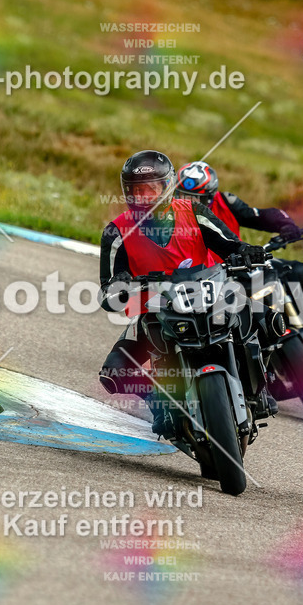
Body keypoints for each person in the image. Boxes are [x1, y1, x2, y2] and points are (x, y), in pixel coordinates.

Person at [97, 150, 271, 439]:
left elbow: (231, 244)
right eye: (136, 190)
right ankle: (161, 405)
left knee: (264, 317)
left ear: (166, 187)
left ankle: (260, 391)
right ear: (126, 192)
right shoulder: (115, 233)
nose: (144, 196)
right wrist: (121, 284)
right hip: (155, 310)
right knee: (114, 371)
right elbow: (107, 295)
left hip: (209, 295)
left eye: (150, 188)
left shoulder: (195, 212)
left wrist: (246, 251)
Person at [175, 161, 303, 344]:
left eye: (197, 199)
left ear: (211, 196)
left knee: (298, 271)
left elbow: (258, 216)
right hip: (207, 275)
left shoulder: (227, 202)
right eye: (184, 196)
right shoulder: (169, 218)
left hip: (240, 263)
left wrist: (286, 225)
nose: (190, 203)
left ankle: (302, 326)